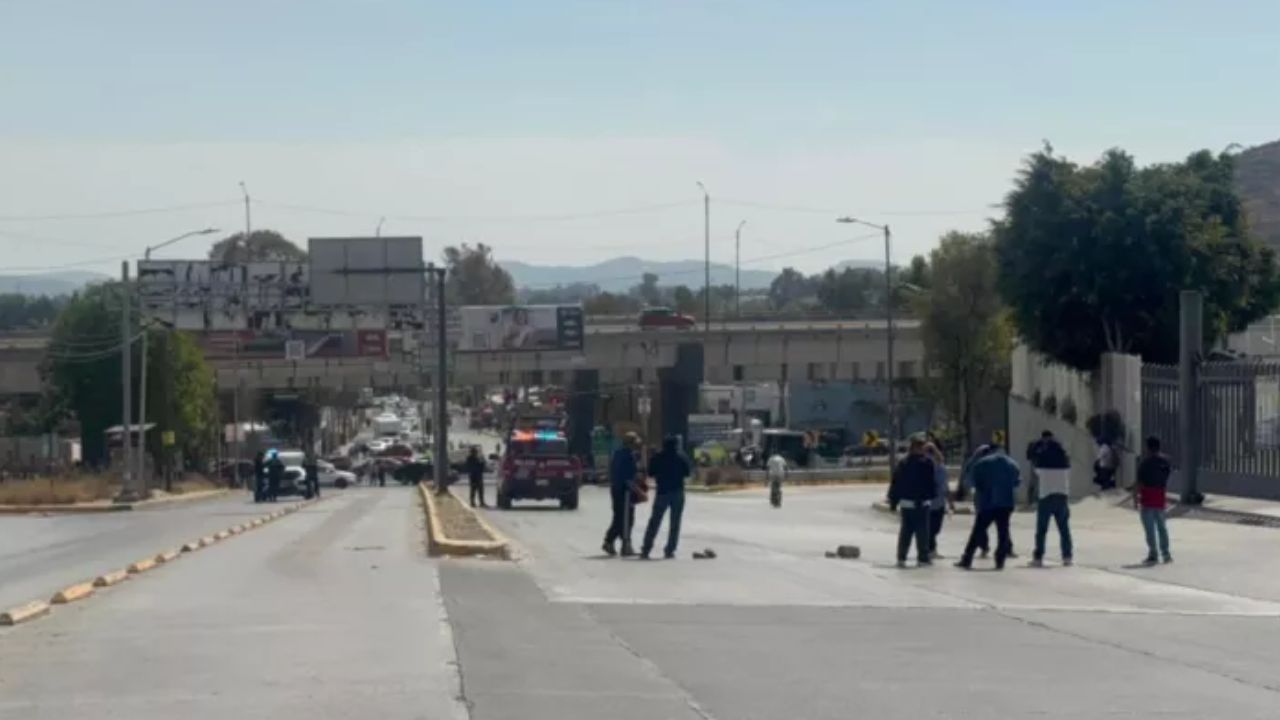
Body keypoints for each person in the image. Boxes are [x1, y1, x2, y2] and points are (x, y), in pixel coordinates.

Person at [956, 443, 1021, 570]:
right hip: (1006, 503)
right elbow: (1017, 482)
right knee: (1003, 532)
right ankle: (1000, 561)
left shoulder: (981, 463)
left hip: (987, 502)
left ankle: (967, 559)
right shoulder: (1012, 464)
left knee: (978, 532)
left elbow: (971, 482)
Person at [888, 437, 936, 568]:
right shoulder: (927, 463)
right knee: (922, 533)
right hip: (922, 503)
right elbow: (931, 484)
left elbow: (895, 483)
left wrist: (893, 501)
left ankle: (901, 558)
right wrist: (931, 497)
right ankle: (923, 558)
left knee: (906, 532)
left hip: (906, 503)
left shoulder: (903, 463)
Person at [641, 435, 691, 560]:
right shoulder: (681, 457)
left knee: (654, 521)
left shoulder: (658, 457)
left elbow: (651, 472)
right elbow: (688, 472)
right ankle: (670, 549)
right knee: (675, 523)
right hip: (677, 492)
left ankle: (646, 548)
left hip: (662, 492)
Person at [1030, 431, 1073, 567]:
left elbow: (1035, 471)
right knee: (1064, 529)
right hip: (1062, 496)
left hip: (1045, 496)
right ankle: (1067, 556)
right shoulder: (1064, 461)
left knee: (1042, 530)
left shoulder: (1042, 459)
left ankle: (1038, 557)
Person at [1135, 436, 1173, 565]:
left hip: (1147, 499)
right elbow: (1167, 476)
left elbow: (1139, 483)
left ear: (1148, 448)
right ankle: (1166, 554)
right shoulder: (1165, 461)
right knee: (1162, 527)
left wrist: (1136, 499)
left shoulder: (1144, 463)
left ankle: (1153, 553)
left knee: (1150, 529)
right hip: (1160, 497)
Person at [603, 434, 641, 556]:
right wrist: (638, 490)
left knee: (620, 517)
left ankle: (615, 542)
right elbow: (628, 476)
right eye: (635, 443)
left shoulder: (617, 454)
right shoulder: (628, 456)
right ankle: (623, 544)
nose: (637, 445)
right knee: (626, 519)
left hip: (616, 489)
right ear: (630, 443)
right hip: (624, 491)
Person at [925, 443, 953, 560]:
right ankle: (931, 550)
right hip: (938, 502)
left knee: (931, 529)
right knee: (934, 529)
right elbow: (945, 487)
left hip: (928, 502)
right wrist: (951, 502)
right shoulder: (940, 467)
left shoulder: (925, 465)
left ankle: (930, 549)